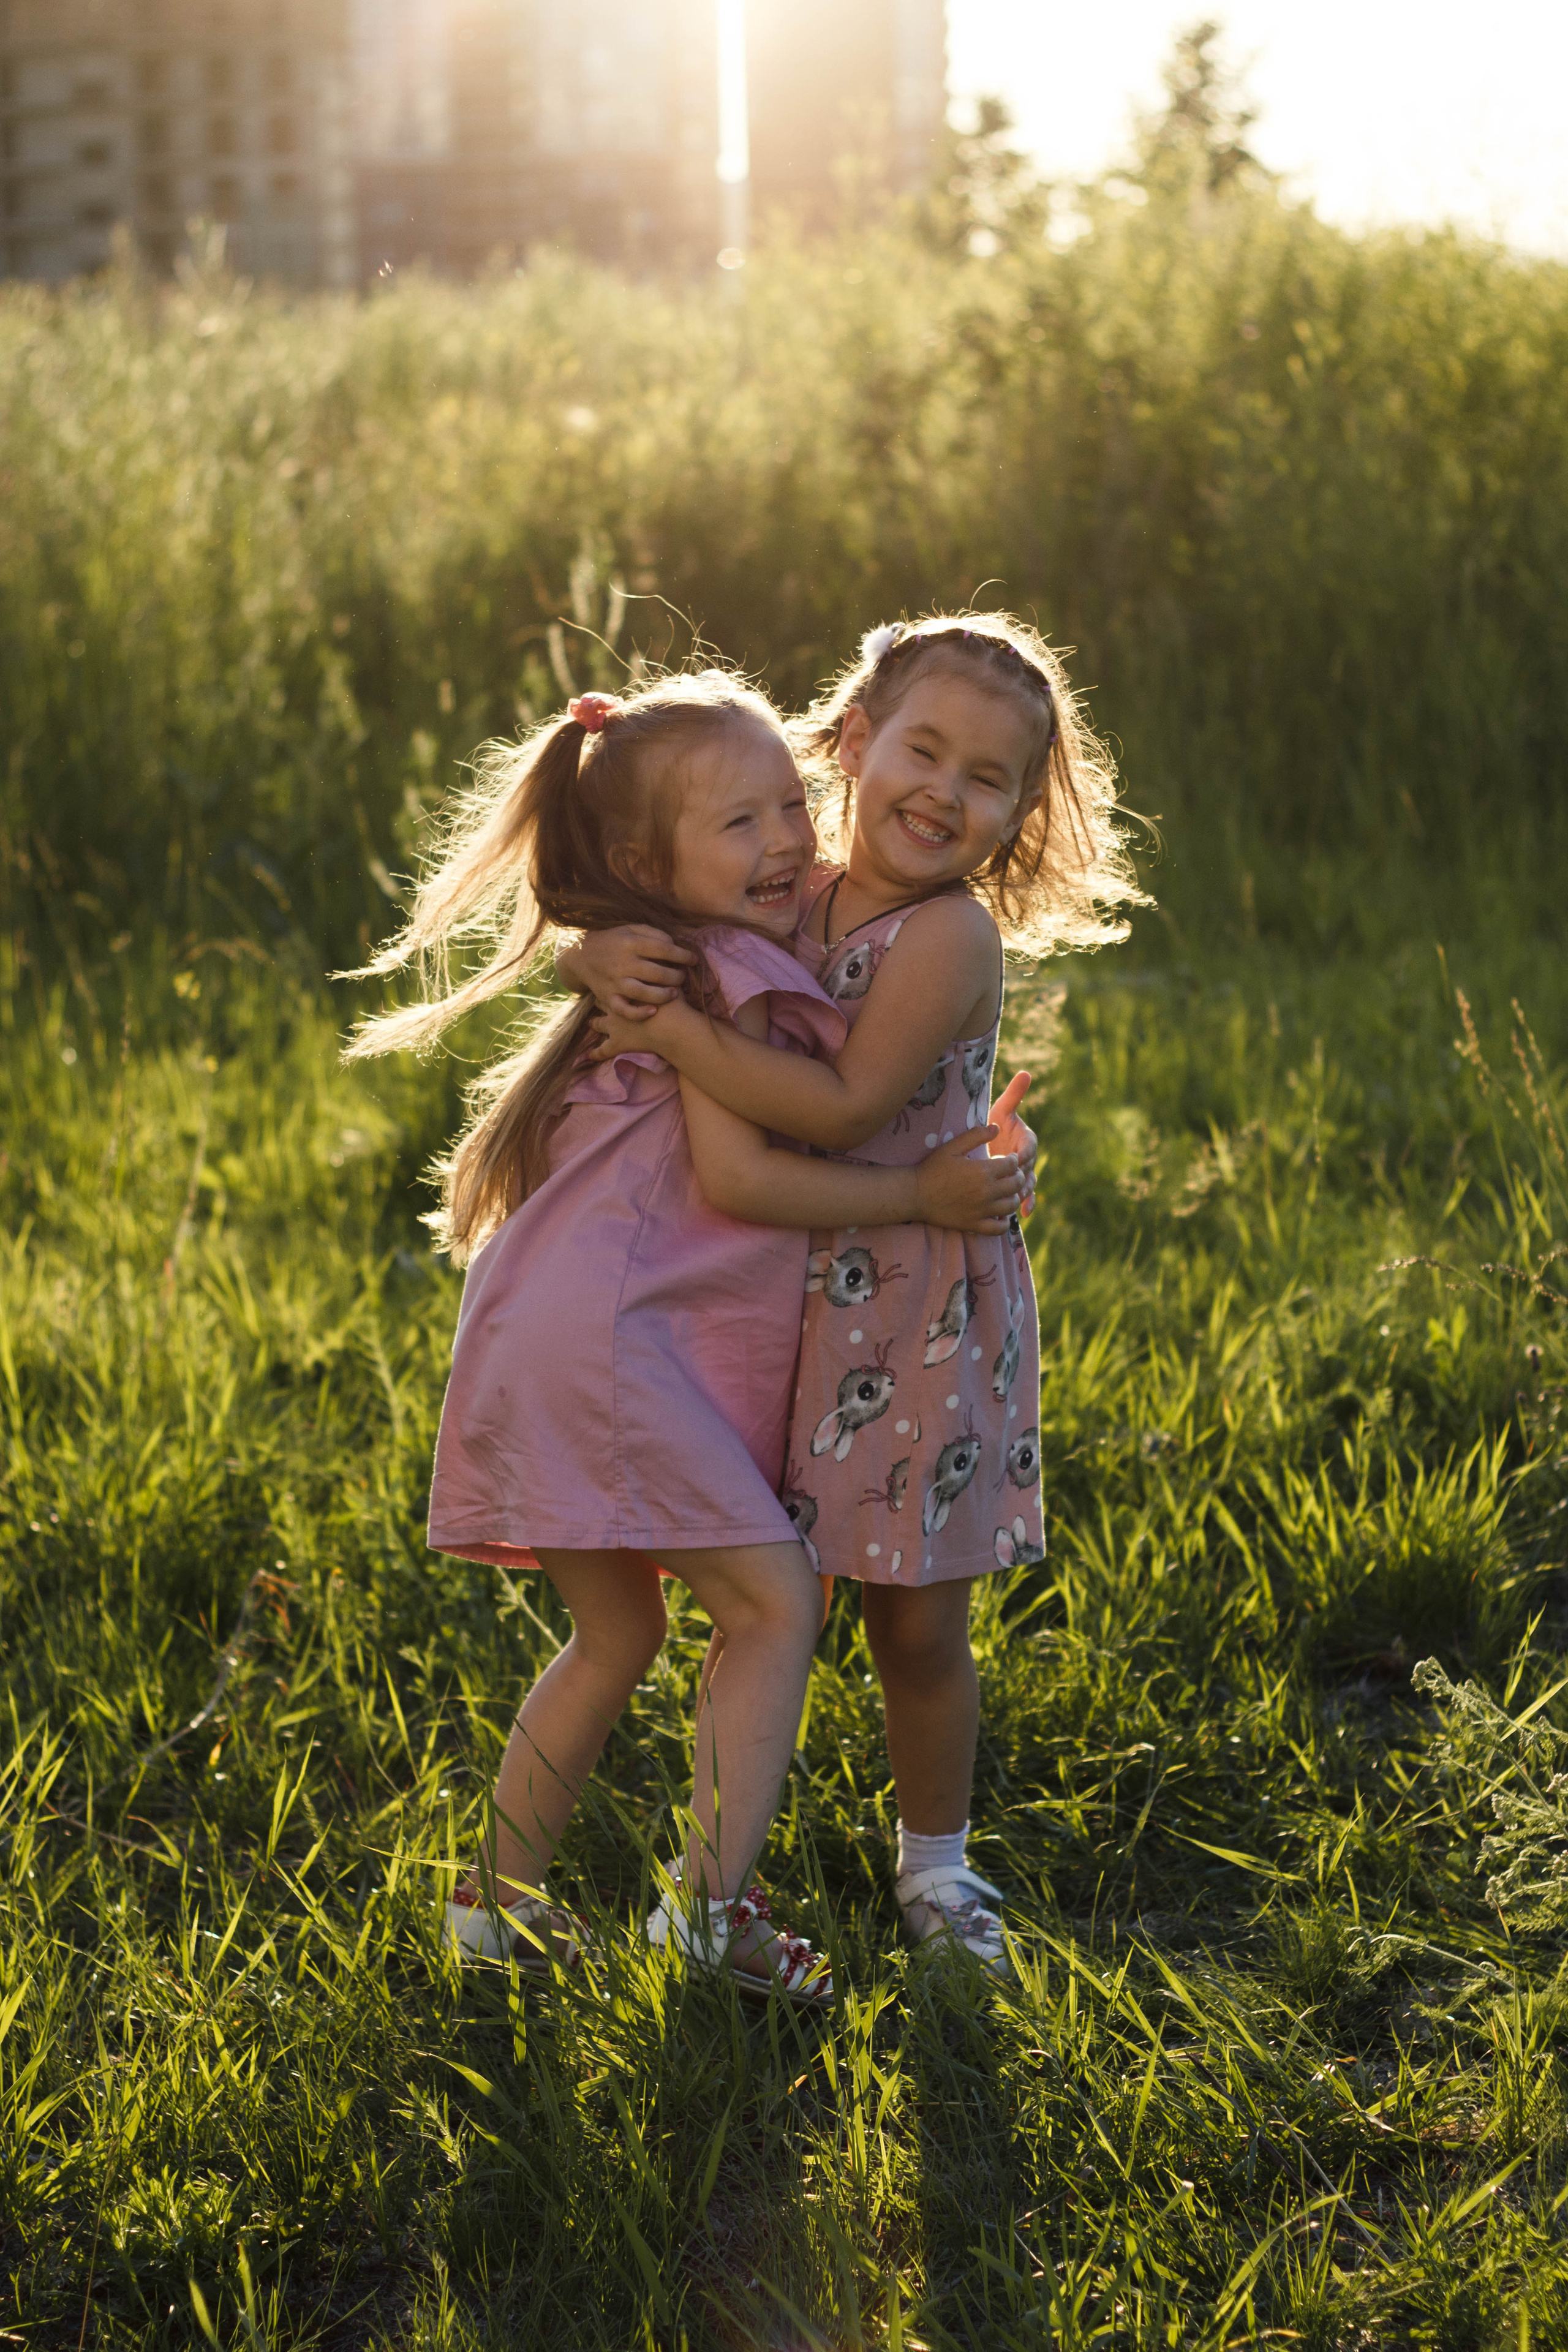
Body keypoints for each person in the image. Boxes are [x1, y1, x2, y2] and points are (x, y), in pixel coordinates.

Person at [344, 671, 1028, 2005]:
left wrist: (587, 941)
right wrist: (915, 1194)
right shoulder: (725, 974)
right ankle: (707, 1917)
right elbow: (750, 1177)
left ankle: (494, 1913)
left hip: (547, 1328)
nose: (785, 841)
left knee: (614, 1640)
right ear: (653, 866)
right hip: (615, 1348)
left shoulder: (689, 944)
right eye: (746, 823)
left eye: (789, 808)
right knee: (772, 1604)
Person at [570, 616, 1142, 1974]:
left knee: (913, 1625)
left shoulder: (946, 938)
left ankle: (934, 1869)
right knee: (767, 1599)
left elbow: (837, 1102)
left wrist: (672, 1031)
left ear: (1017, 811)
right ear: (849, 743)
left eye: (987, 777)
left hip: (916, 1311)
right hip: (782, 1300)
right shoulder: (802, 889)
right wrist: (588, 960)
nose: (944, 791)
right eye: (921, 749)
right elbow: (665, 906)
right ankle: (717, 1869)